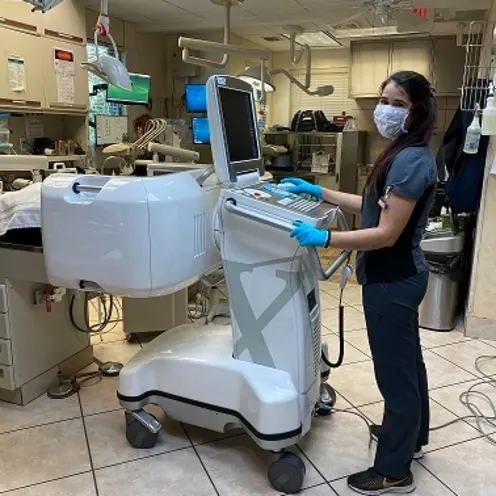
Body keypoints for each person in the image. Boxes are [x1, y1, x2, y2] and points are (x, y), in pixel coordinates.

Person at [283, 70, 437, 495]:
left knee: (395, 376)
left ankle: (394, 471)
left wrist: (326, 238)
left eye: (398, 103)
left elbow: (385, 233)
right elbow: (372, 207)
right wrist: (320, 191)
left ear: (418, 109)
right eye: (384, 100)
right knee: (409, 367)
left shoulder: (411, 159)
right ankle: (412, 438)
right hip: (401, 277)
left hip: (393, 281)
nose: (386, 109)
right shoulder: (405, 151)